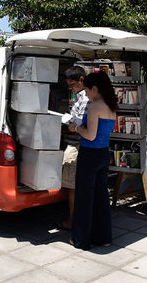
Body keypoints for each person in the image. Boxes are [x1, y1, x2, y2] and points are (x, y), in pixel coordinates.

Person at [67, 72, 117, 249]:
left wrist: (76, 128)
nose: (85, 94)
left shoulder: (95, 106)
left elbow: (90, 135)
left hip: (90, 154)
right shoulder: (111, 106)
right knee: (101, 197)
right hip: (103, 154)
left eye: (87, 90)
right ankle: (103, 237)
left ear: (94, 88)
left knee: (84, 198)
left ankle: (81, 240)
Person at [57, 66, 89, 230]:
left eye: (72, 84)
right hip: (77, 144)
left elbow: (80, 123)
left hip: (76, 146)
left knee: (72, 187)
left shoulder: (85, 99)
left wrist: (68, 124)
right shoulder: (80, 97)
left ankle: (73, 221)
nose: (70, 88)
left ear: (82, 80)